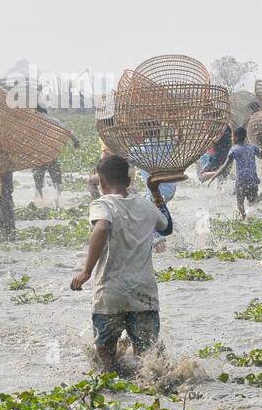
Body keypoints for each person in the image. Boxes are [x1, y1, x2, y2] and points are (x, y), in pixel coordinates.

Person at [71, 155, 174, 372]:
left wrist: (86, 271)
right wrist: (155, 192)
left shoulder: (102, 204)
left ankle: (113, 388)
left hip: (111, 292)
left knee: (105, 355)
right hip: (144, 293)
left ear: (101, 183)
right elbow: (166, 228)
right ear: (129, 182)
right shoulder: (146, 205)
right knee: (146, 357)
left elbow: (101, 228)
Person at [202, 126, 262, 219]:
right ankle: (261, 201)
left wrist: (213, 177)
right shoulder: (252, 148)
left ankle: (244, 219)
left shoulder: (233, 150)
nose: (231, 138)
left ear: (236, 137)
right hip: (253, 180)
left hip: (241, 182)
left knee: (240, 205)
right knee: (252, 203)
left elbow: (224, 167)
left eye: (232, 136)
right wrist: (260, 144)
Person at [31, 99, 81, 204]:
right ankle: (57, 200)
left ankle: (40, 201)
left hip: (38, 157)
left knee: (38, 183)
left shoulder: (33, 121)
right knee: (57, 180)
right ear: (45, 110)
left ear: (35, 110)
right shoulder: (54, 120)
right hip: (52, 155)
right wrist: (75, 141)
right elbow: (67, 132)